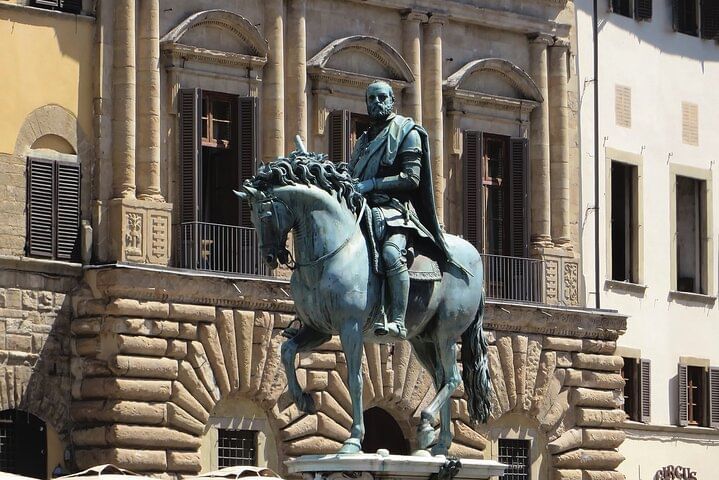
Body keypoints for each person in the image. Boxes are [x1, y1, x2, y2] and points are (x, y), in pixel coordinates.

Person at [350, 80, 453, 339]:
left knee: (390, 253)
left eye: (381, 97)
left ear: (392, 100)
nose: (376, 103)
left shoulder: (408, 132)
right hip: (362, 207)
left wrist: (371, 184)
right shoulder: (363, 140)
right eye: (371, 99)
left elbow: (411, 179)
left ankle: (397, 319)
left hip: (396, 211)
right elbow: (353, 174)